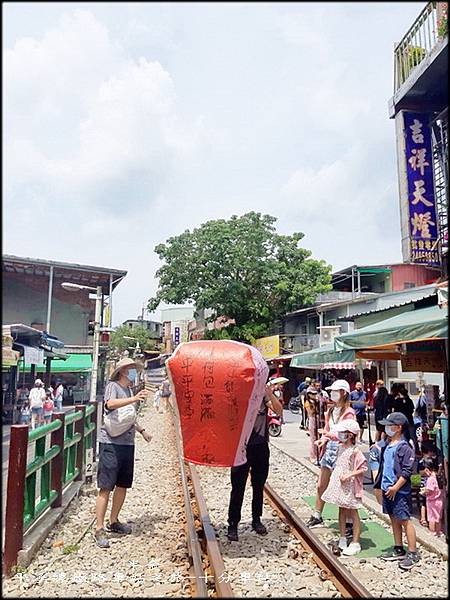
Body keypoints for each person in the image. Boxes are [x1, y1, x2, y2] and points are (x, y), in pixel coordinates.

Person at [94, 358, 150, 549]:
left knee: (122, 484)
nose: (135, 373)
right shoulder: (113, 386)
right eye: (132, 369)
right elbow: (110, 404)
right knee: (106, 486)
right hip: (111, 442)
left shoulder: (128, 391)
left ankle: (114, 520)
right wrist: (134, 398)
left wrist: (142, 431)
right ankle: (99, 527)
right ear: (124, 371)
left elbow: (127, 417)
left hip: (127, 442)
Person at [227, 380, 283, 542]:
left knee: (258, 486)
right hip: (240, 448)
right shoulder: (235, 392)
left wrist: (270, 393)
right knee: (237, 487)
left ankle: (256, 519)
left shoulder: (262, 393)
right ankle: (233, 523)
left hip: (260, 446)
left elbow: (278, 411)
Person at [306, 380, 356, 528]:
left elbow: (348, 434)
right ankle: (317, 514)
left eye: (336, 391)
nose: (333, 394)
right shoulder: (331, 411)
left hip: (342, 450)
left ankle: (347, 522)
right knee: (321, 484)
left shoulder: (349, 413)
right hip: (329, 449)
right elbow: (328, 429)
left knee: (342, 486)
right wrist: (324, 439)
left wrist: (328, 435)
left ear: (343, 393)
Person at [375, 412, 419, 570]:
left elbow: (407, 472)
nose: (386, 428)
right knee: (393, 519)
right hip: (388, 489)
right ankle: (398, 547)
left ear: (398, 428)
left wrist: (395, 487)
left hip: (399, 491)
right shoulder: (387, 445)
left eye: (389, 425)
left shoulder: (405, 447)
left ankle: (413, 552)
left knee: (404, 519)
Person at [321, 419, 367, 555]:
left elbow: (363, 468)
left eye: (343, 432)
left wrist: (349, 475)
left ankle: (355, 541)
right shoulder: (341, 447)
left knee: (353, 511)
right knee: (341, 509)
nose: (340, 435)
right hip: (340, 483)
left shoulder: (355, 451)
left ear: (351, 434)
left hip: (350, 484)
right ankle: (342, 537)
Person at [420, 456, 444, 536]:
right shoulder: (438, 477)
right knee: (438, 518)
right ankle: (438, 531)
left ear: (427, 469)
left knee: (432, 518)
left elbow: (429, 490)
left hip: (432, 502)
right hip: (439, 501)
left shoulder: (430, 479)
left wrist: (423, 492)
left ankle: (432, 532)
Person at [417, 441, 438, 527]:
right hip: (427, 484)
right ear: (428, 451)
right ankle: (424, 518)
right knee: (426, 502)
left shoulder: (421, 461)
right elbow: (420, 473)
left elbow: (418, 473)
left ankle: (423, 518)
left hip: (422, 484)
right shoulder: (429, 461)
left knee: (424, 502)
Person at [304, 387, 320, 463]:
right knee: (313, 439)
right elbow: (310, 413)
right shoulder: (307, 402)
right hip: (312, 419)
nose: (314, 395)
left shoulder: (315, 401)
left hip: (317, 419)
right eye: (312, 394)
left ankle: (318, 455)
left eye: (315, 393)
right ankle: (313, 456)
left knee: (318, 438)